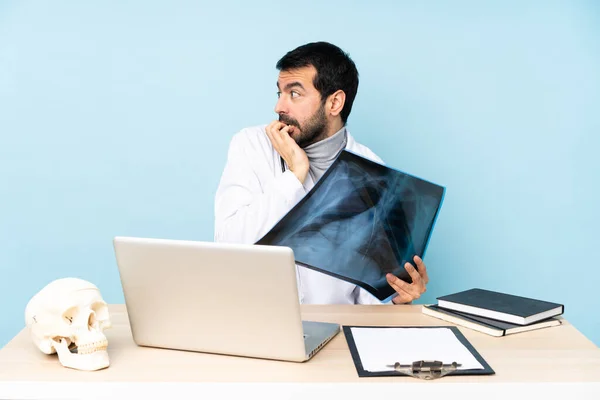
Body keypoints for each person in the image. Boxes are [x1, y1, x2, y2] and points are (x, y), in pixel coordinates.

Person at [214, 41, 428, 305]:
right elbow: (228, 244)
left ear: (335, 103)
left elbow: (368, 294)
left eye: (294, 94)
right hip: (256, 324)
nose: (279, 107)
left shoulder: (372, 171)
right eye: (279, 93)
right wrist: (295, 174)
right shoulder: (251, 144)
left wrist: (398, 295)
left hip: (334, 330)